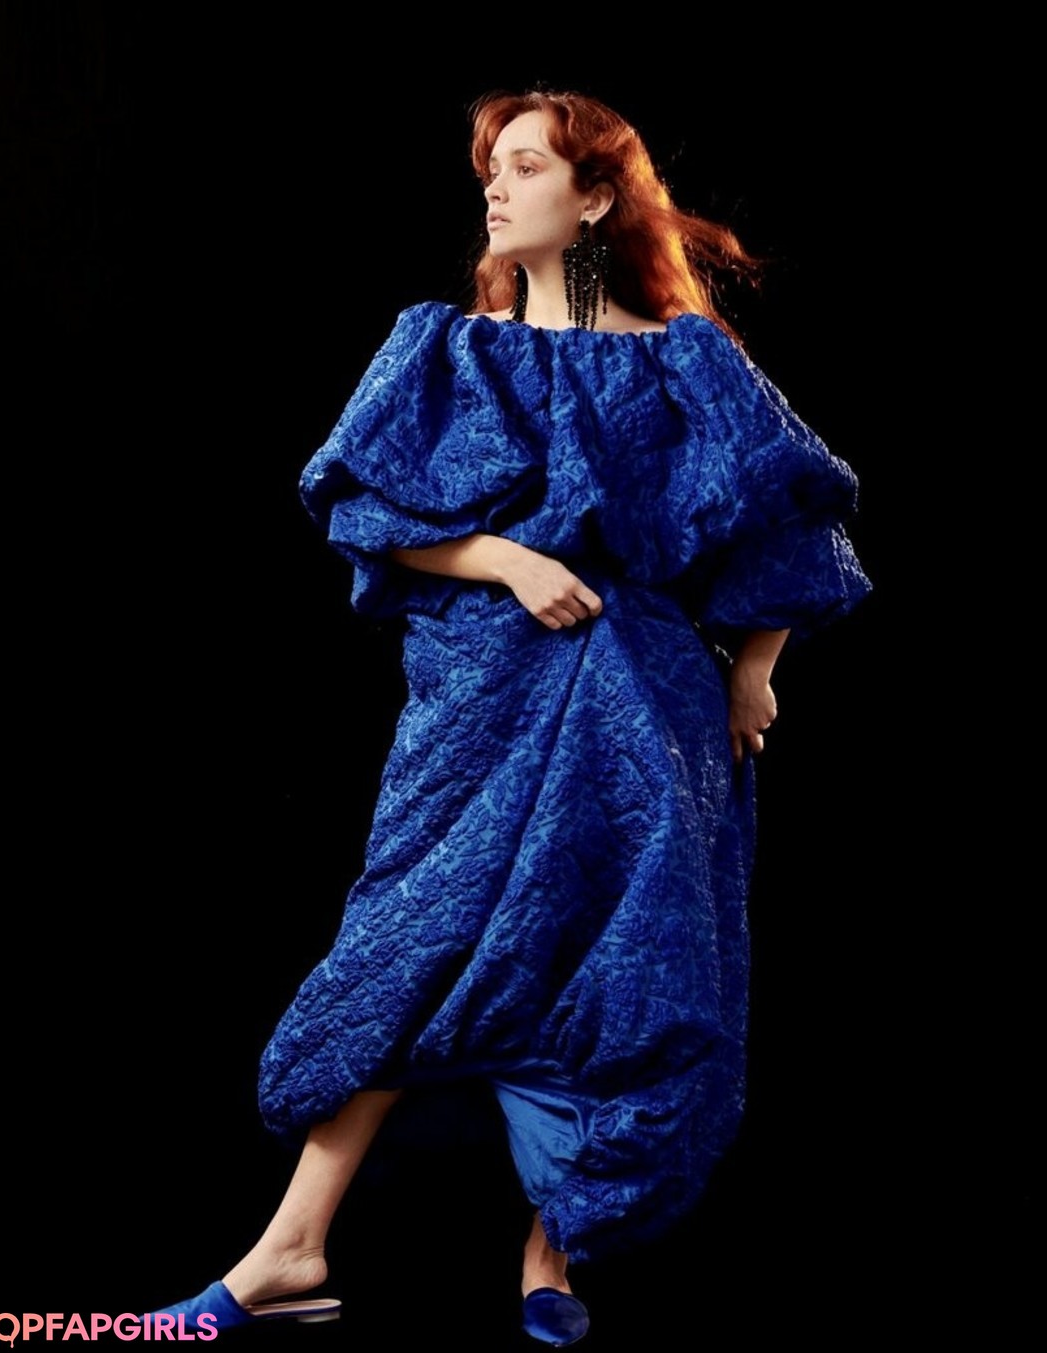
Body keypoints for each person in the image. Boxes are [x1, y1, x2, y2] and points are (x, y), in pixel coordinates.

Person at [151, 89, 870, 1345]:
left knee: (622, 967)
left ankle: (555, 1250)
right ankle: (289, 1247)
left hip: (646, 714)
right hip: (480, 704)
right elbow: (363, 508)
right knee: (408, 945)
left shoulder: (687, 357)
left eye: (526, 165)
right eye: (493, 166)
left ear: (594, 199)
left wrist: (757, 670)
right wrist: (506, 560)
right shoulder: (444, 348)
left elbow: (795, 519)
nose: (495, 186)